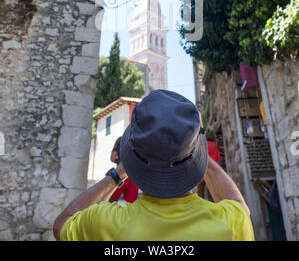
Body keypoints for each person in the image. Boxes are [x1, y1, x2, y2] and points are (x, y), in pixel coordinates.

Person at [53, 90, 255, 241]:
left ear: (134, 161)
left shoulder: (106, 223)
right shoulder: (230, 225)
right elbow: (239, 206)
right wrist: (197, 152)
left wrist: (117, 174)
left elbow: (61, 225)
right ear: (195, 160)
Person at [109, 136, 139, 204]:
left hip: (120, 174)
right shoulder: (141, 139)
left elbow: (112, 158)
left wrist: (120, 163)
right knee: (130, 206)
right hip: (134, 177)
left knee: (112, 201)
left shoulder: (120, 139)